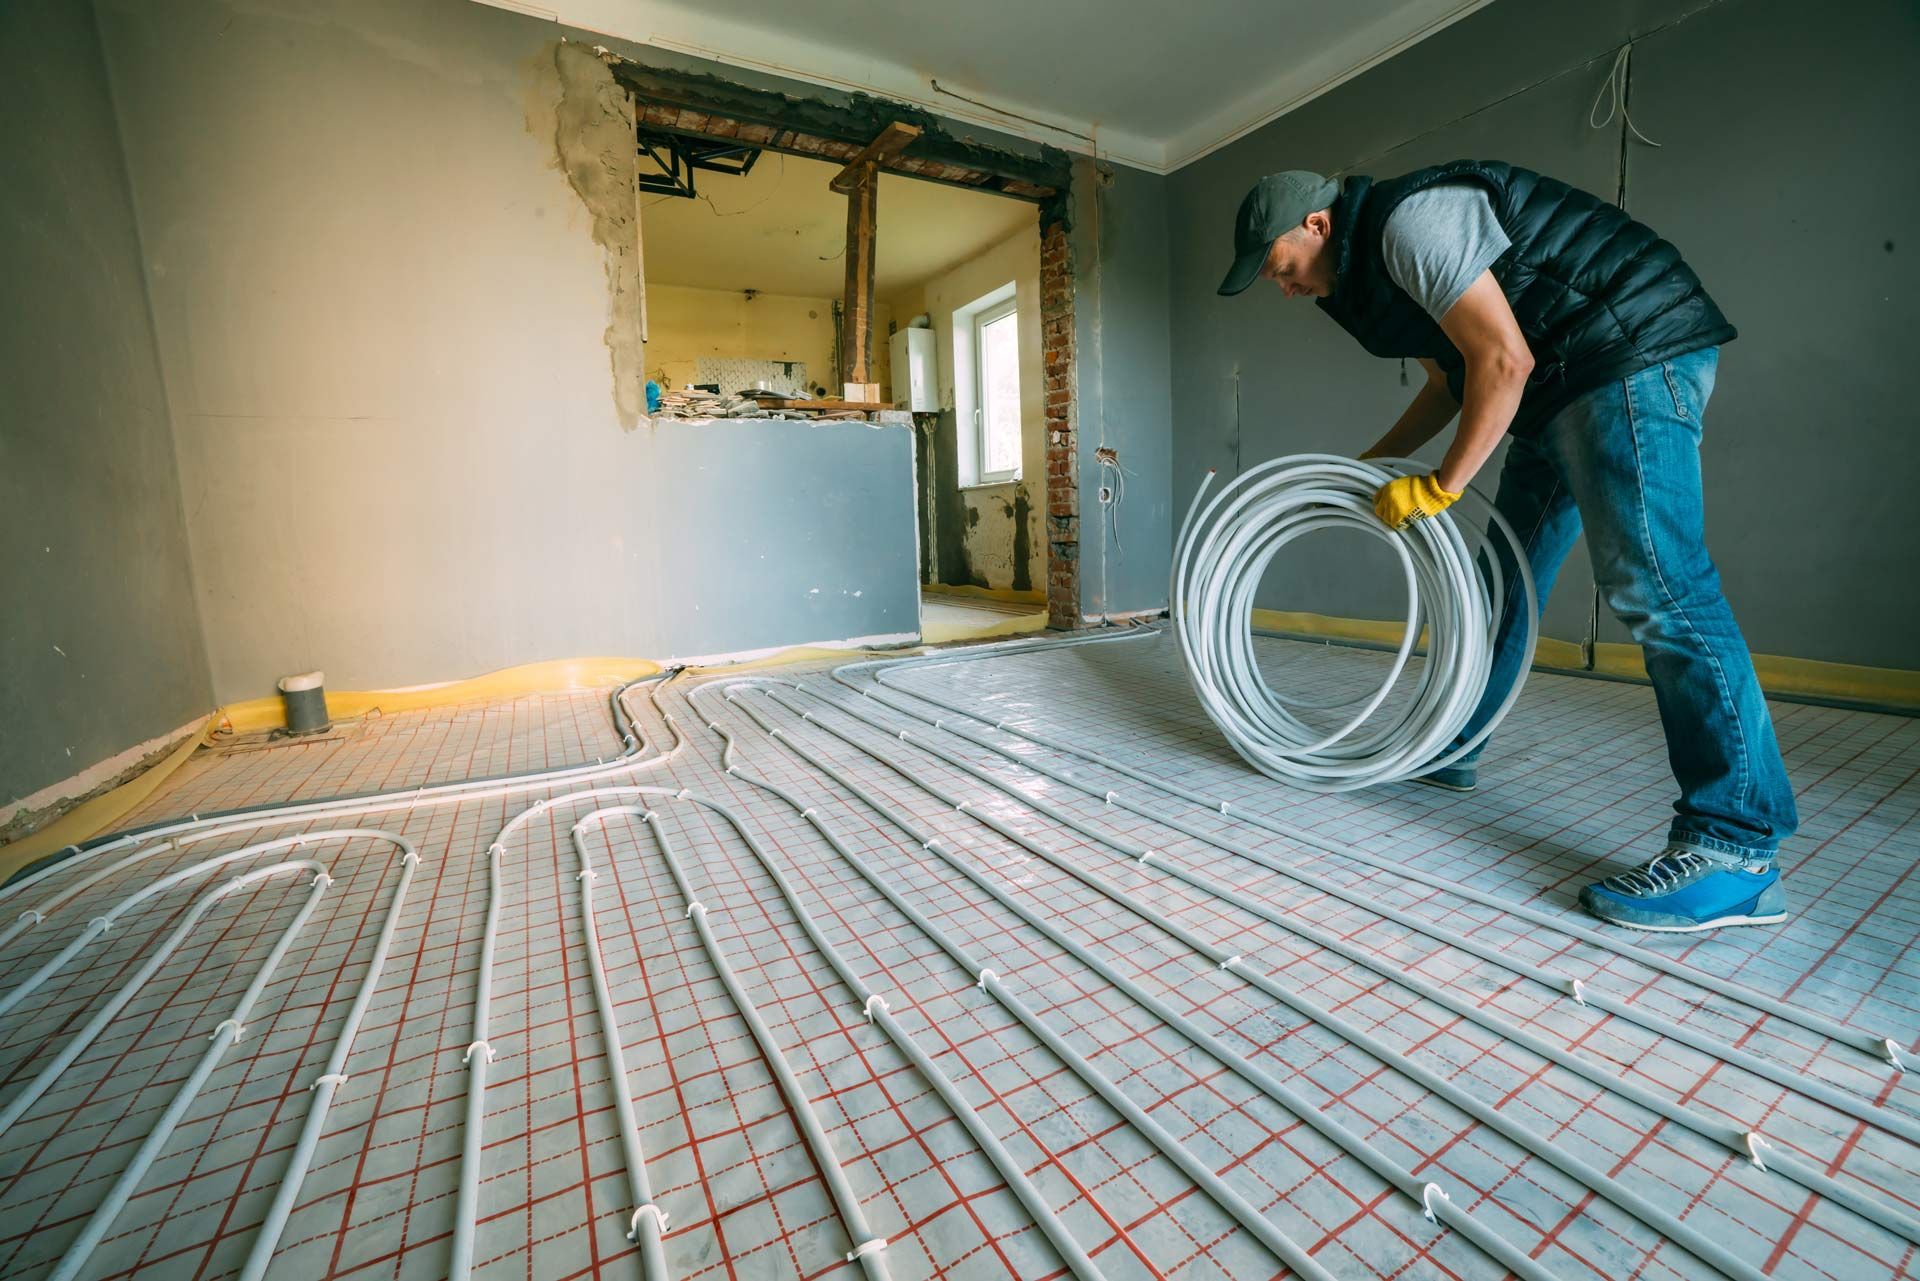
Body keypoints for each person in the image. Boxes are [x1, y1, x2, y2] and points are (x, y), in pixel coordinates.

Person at [1216, 163, 1797, 933]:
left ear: (1316, 227)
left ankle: (1737, 847)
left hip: (1624, 349)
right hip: (1560, 381)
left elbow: (1502, 363)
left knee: (1657, 586)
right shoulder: (1365, 284)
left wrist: (1439, 486)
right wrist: (1368, 471)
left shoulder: (1408, 226)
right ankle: (1451, 742)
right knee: (1499, 582)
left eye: (1280, 270)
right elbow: (1453, 385)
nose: (1283, 290)